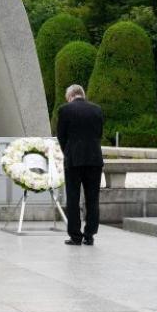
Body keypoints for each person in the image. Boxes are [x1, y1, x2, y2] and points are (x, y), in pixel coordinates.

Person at [57, 84, 104, 246]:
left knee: (73, 198)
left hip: (74, 160)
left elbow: (61, 137)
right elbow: (99, 133)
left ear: (70, 96)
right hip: (94, 159)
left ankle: (75, 236)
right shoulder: (97, 109)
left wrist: (68, 152)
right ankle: (90, 235)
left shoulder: (65, 110)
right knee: (92, 199)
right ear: (82, 95)